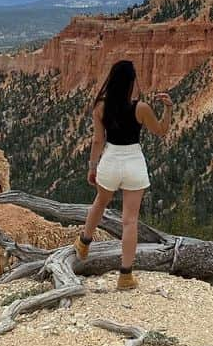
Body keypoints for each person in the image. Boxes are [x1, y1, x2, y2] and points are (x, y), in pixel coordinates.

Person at [74, 59, 173, 290]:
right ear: (131, 82)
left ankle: (84, 242)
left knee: (100, 202)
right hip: (134, 162)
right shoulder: (141, 108)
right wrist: (168, 108)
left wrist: (92, 167)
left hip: (110, 160)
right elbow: (161, 131)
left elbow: (98, 140)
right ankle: (125, 276)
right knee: (130, 221)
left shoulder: (100, 107)